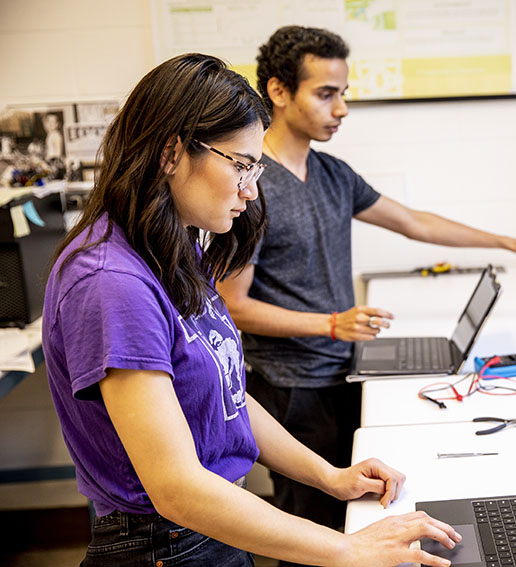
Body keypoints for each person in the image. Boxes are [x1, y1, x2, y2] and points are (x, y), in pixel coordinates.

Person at [42, 53, 460, 567]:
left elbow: (228, 396)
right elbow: (176, 488)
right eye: (240, 165)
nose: (251, 189)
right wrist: (346, 549)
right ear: (172, 151)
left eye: (255, 167)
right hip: (166, 543)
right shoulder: (111, 281)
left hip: (209, 528)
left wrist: (329, 476)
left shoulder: (171, 249)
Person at [216, 25, 516, 540]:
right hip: (292, 387)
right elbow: (233, 306)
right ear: (278, 91)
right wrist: (332, 324)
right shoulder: (253, 187)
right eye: (326, 94)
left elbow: (415, 222)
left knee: (349, 512)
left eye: (343, 93)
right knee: (309, 525)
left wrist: (510, 242)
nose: (341, 108)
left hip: (340, 370)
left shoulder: (334, 174)